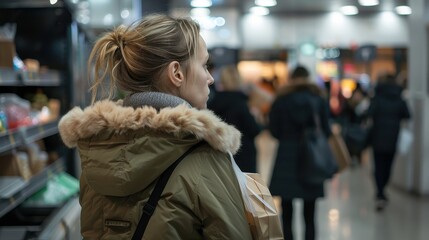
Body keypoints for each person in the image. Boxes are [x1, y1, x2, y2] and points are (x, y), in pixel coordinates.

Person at [58, 14, 253, 239]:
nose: (209, 78)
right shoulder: (206, 157)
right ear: (176, 73)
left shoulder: (96, 151)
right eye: (204, 65)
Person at [268, 65, 331, 240]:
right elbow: (326, 130)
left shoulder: (281, 99)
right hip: (312, 158)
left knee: (286, 210)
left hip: (286, 156)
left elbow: (273, 130)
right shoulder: (318, 98)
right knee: (310, 213)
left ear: (291, 78)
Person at [366, 73, 411, 211]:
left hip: (377, 137)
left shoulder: (377, 98)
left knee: (378, 166)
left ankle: (380, 193)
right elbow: (408, 115)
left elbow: (369, 113)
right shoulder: (399, 98)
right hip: (393, 137)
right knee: (388, 166)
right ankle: (382, 189)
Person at [208, 64, 262, 173]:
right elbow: (254, 129)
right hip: (243, 154)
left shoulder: (213, 103)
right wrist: (256, 117)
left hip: (220, 155)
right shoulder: (241, 103)